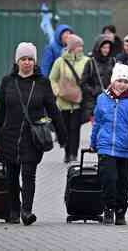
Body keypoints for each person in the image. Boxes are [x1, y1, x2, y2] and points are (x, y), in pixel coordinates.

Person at [0, 42, 67, 226]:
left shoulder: (42, 82)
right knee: (11, 176)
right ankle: (14, 210)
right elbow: (0, 110)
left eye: (30, 59)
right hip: (9, 136)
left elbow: (53, 110)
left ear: (35, 61)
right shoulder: (8, 81)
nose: (27, 62)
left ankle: (27, 211)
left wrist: (62, 135)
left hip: (32, 137)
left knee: (29, 174)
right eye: (23, 59)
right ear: (17, 61)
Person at [90, 63, 128, 226]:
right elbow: (97, 123)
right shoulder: (102, 99)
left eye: (125, 82)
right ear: (113, 80)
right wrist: (94, 142)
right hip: (106, 146)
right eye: (119, 81)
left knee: (123, 182)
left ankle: (121, 210)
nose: (122, 84)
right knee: (109, 179)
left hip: (125, 148)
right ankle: (108, 208)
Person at [49, 34, 89, 163]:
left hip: (78, 103)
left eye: (82, 46)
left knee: (75, 129)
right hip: (63, 103)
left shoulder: (86, 61)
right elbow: (52, 79)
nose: (81, 48)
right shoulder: (60, 62)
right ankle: (67, 152)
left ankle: (73, 154)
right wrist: (57, 91)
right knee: (65, 129)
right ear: (71, 47)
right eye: (78, 46)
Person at [81, 34, 116, 120]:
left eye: (108, 47)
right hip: (94, 104)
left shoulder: (113, 61)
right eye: (104, 47)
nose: (106, 50)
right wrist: (94, 91)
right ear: (98, 48)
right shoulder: (91, 63)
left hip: (110, 101)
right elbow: (83, 83)